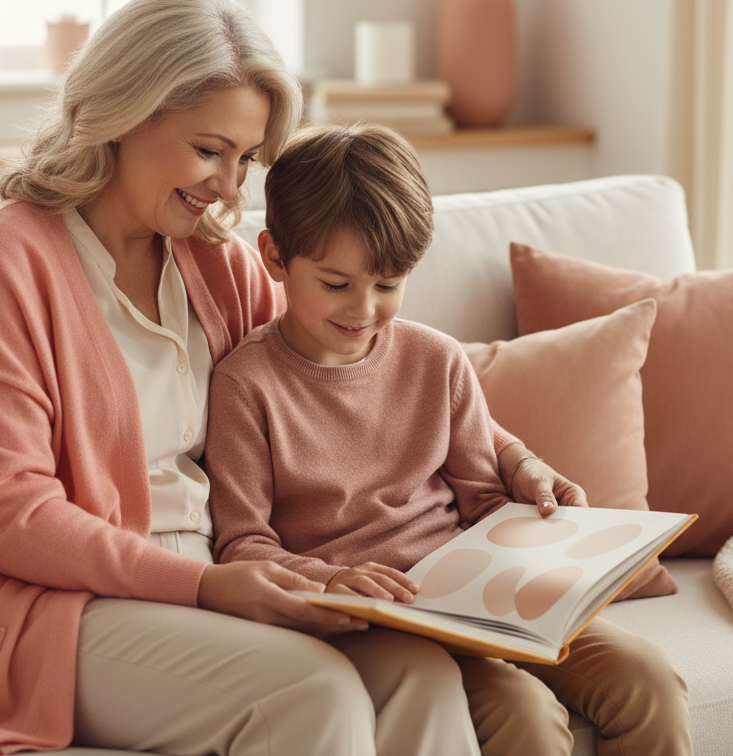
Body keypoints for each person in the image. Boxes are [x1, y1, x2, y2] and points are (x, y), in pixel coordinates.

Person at [0, 0, 566, 756]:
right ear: (121, 112)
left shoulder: (214, 261)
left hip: (217, 581)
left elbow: (347, 365)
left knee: (419, 672)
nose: (230, 187)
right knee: (311, 697)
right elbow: (8, 516)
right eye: (209, 150)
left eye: (245, 159)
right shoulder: (0, 259)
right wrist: (210, 585)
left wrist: (510, 458)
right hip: (46, 608)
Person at [206, 123, 693, 756]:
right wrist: (327, 581)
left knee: (649, 680)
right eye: (336, 283)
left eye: (388, 285)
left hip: (477, 598)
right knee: (523, 713)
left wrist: (545, 530)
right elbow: (242, 545)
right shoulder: (246, 384)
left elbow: (485, 501)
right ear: (275, 257)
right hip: (372, 621)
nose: (364, 309)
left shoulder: (436, 359)